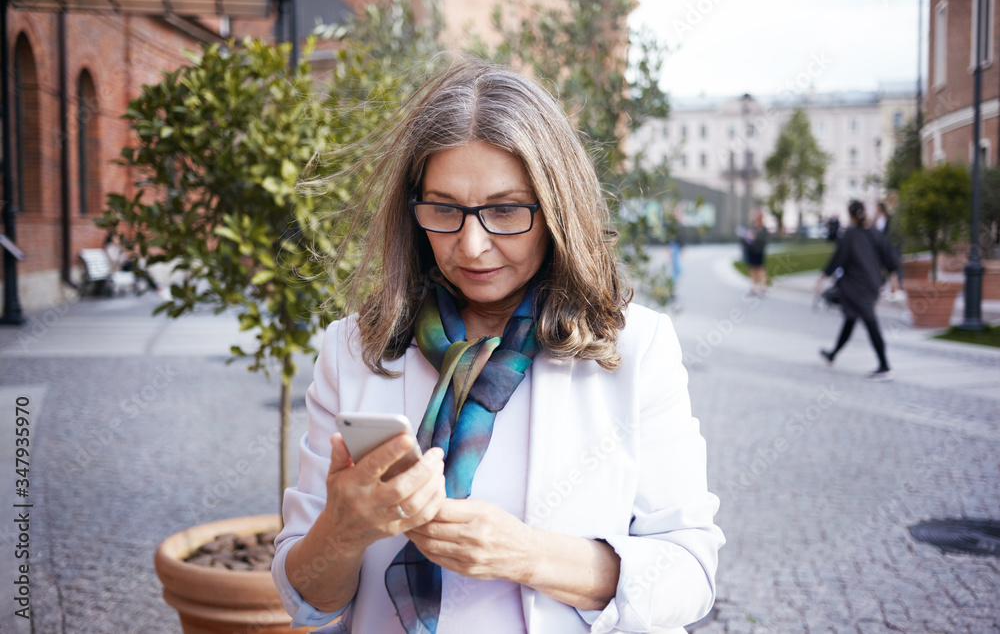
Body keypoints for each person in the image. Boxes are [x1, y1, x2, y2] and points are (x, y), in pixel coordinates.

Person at [272, 57, 724, 634]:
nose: (472, 245)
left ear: (558, 209)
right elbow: (306, 601)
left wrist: (527, 555)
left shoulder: (635, 348)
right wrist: (345, 527)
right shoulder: (353, 350)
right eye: (444, 209)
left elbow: (690, 573)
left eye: (506, 210)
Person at [815, 200, 900, 380]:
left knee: (870, 322)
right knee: (850, 319)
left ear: (850, 214)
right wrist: (893, 277)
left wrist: (822, 277)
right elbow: (889, 255)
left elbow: (837, 259)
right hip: (872, 284)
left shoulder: (850, 235)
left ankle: (885, 365)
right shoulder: (875, 233)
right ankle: (832, 354)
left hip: (856, 286)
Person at [740, 210, 768, 296]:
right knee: (752, 269)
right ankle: (753, 287)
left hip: (759, 251)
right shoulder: (753, 227)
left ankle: (763, 287)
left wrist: (755, 237)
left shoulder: (763, 229)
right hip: (752, 251)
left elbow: (763, 241)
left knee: (760, 269)